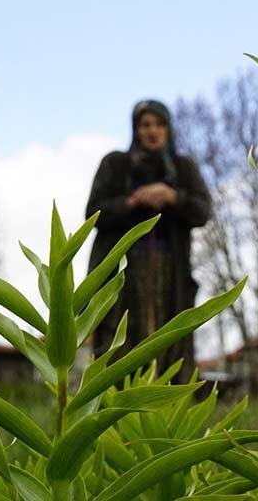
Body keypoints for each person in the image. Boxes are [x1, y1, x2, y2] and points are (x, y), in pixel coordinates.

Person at [85, 100, 211, 383]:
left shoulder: (182, 168)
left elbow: (203, 211)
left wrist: (173, 197)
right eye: (145, 125)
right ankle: (114, 414)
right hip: (123, 272)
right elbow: (93, 213)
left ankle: (170, 413)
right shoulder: (115, 164)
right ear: (136, 130)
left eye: (159, 124)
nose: (153, 131)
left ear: (168, 129)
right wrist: (133, 200)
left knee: (171, 342)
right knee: (120, 342)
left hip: (171, 273)